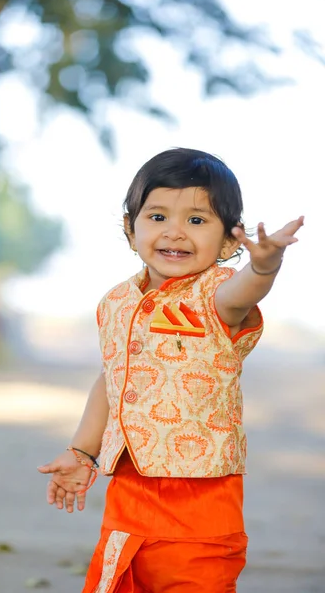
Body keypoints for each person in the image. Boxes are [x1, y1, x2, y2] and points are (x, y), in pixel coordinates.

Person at [37, 148, 304, 592]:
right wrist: (83, 451)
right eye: (157, 217)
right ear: (130, 228)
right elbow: (113, 380)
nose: (175, 233)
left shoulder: (216, 294)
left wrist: (265, 265)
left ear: (229, 243)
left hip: (200, 497)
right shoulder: (116, 302)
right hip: (129, 490)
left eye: (197, 221)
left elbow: (244, 292)